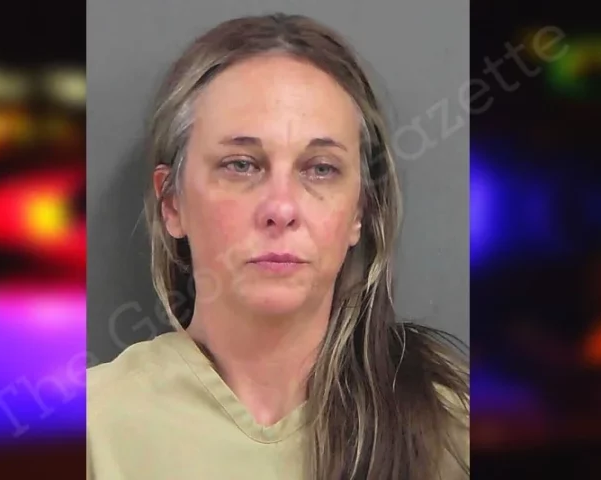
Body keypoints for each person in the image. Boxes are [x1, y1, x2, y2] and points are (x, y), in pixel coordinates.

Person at [87, 12, 469, 480]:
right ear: (172, 204)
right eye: (241, 165)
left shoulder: (451, 431)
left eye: (321, 168)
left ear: (359, 212)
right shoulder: (93, 432)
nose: (281, 208)